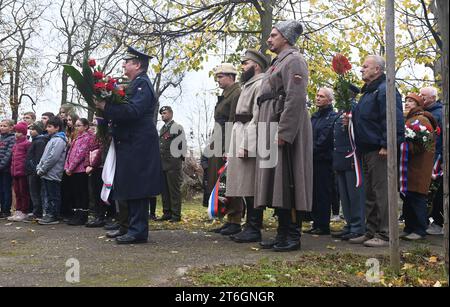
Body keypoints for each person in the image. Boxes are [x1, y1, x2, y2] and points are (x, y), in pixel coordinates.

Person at [255, 20, 313, 252]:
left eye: (274, 35)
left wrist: (284, 132)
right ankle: (282, 233)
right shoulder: (278, 62)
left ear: (286, 38)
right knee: (278, 182)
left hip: (286, 128)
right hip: (273, 125)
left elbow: (295, 97)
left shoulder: (295, 60)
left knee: (290, 180)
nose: (269, 39)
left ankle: (292, 235)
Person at [95, 46, 162, 244]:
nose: (124, 64)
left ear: (138, 65)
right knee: (127, 185)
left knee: (137, 187)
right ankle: (127, 226)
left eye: (128, 61)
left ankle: (138, 230)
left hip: (138, 142)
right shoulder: (136, 83)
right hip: (130, 142)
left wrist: (106, 106)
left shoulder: (142, 85)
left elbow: (132, 112)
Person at [346, 55, 404, 247]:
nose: (361, 69)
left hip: (380, 150)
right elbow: (367, 120)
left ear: (377, 70)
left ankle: (386, 233)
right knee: (370, 193)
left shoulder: (385, 90)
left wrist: (387, 145)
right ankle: (371, 231)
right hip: (366, 151)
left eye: (365, 66)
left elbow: (392, 119)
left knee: (383, 192)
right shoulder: (368, 93)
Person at [226, 49, 269, 243]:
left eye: (246, 63)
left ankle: (254, 226)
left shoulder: (260, 84)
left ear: (256, 65)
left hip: (249, 135)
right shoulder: (249, 84)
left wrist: (247, 145)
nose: (243, 67)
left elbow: (257, 116)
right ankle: (248, 225)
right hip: (240, 131)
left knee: (251, 184)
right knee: (244, 184)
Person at [207, 63, 242, 236]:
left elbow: (233, 122)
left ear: (231, 76)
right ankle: (230, 218)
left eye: (221, 76)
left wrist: (229, 147)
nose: (218, 80)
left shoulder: (236, 93)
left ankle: (235, 219)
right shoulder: (227, 94)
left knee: (230, 182)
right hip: (219, 140)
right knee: (222, 183)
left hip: (226, 142)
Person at [400, 93, 438, 240]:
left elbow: (424, 145)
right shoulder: (410, 119)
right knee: (408, 197)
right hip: (410, 166)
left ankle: (419, 229)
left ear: (418, 105)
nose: (407, 103)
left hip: (419, 166)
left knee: (417, 197)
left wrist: (405, 145)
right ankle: (409, 227)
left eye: (411, 101)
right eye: (406, 101)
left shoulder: (422, 120)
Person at [331, 85, 366, 240]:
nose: (336, 96)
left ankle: (358, 226)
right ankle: (350, 224)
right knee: (344, 195)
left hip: (352, 158)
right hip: (340, 159)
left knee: (355, 195)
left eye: (339, 93)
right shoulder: (341, 112)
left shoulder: (354, 110)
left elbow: (360, 131)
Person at [305, 87, 338, 235]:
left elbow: (325, 139)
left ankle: (323, 225)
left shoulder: (332, 117)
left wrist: (310, 150)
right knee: (314, 193)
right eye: (317, 95)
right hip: (312, 159)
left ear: (330, 100)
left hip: (324, 160)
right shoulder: (314, 116)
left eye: (322, 96)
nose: (318, 98)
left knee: (323, 193)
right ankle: (316, 223)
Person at [420, 87, 444, 235]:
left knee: (436, 192)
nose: (421, 98)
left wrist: (437, 160)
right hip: (432, 156)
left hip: (437, 157)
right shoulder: (428, 113)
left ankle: (438, 222)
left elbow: (438, 139)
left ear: (433, 98)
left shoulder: (437, 114)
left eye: (424, 96)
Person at [36, 116, 68, 225]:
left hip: (53, 173)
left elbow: (53, 157)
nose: (47, 129)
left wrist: (43, 169)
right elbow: (44, 156)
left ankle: (53, 215)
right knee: (48, 195)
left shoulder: (59, 140)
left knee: (53, 195)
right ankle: (49, 213)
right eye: (47, 126)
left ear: (57, 128)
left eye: (49, 127)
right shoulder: (52, 139)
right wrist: (39, 167)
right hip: (46, 172)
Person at [158, 106, 186, 223]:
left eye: (164, 113)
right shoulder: (163, 128)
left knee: (174, 191)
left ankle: (176, 215)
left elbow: (182, 146)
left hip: (173, 164)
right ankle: (167, 212)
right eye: (161, 114)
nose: (162, 115)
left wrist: (177, 161)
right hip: (163, 164)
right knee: (164, 191)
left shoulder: (177, 127)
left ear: (170, 114)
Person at [64, 118, 94, 226]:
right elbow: (70, 153)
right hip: (72, 170)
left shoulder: (88, 138)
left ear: (85, 126)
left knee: (82, 193)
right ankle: (76, 214)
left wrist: (71, 167)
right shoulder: (77, 137)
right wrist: (67, 166)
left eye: (79, 125)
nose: (76, 127)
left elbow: (80, 154)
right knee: (75, 192)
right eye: (76, 125)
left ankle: (82, 216)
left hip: (80, 169)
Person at [24, 121, 49, 222]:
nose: (30, 131)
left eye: (33, 129)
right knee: (33, 192)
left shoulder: (40, 141)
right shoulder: (35, 140)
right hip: (31, 171)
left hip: (35, 172)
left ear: (38, 130)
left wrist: (34, 168)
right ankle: (36, 211)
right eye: (30, 129)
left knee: (35, 192)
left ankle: (37, 212)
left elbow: (38, 158)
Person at [7, 122, 31, 222]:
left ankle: (24, 211)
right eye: (16, 132)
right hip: (14, 172)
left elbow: (28, 158)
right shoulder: (15, 144)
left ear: (24, 133)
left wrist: (25, 169)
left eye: (19, 132)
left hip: (22, 173)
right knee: (17, 192)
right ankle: (18, 210)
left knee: (23, 192)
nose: (17, 134)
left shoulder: (27, 144)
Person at [0, 119, 15, 219]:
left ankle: (6, 210)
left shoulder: (12, 139)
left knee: (6, 189)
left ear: (11, 128)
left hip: (5, 170)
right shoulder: (1, 138)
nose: (2, 128)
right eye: (1, 125)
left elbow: (8, 155)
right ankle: (2, 209)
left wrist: (1, 166)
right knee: (0, 190)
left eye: (5, 126)